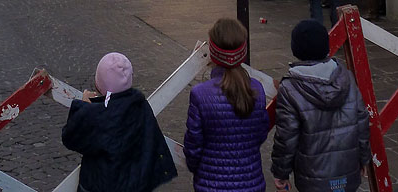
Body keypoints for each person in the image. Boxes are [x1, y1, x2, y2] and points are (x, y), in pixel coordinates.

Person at [271, 20, 370, 192]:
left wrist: (281, 172)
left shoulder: (290, 87)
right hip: (347, 171)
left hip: (312, 178)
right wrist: (364, 159)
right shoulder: (346, 77)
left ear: (296, 50)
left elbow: (286, 136)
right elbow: (362, 122)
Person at [61, 52, 176, 192]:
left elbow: (70, 138)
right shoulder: (140, 105)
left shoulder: (95, 114)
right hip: (134, 184)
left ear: (98, 86)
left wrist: (83, 105)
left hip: (100, 185)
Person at [184, 18, 269, 192]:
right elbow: (261, 133)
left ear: (213, 53)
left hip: (211, 183)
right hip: (251, 182)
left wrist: (199, 170)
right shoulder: (257, 89)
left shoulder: (200, 94)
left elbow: (193, 146)